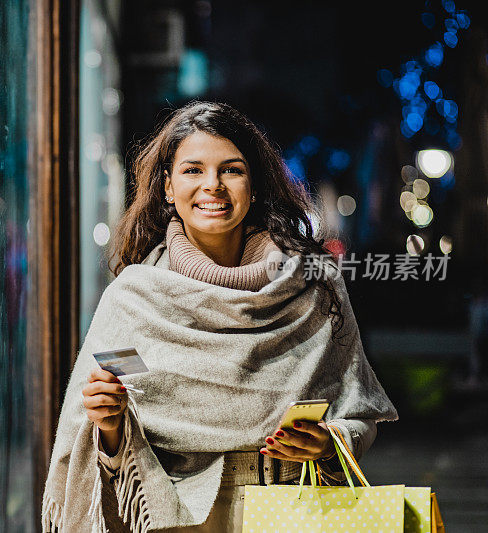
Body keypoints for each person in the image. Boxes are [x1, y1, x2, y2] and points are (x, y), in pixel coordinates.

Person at [42, 101, 398, 532]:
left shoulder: (314, 287)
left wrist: (331, 441)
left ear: (255, 184)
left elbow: (358, 411)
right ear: (168, 187)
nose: (213, 185)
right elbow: (94, 444)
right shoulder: (134, 300)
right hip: (180, 515)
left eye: (231, 170)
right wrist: (111, 425)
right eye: (193, 170)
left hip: (298, 512)